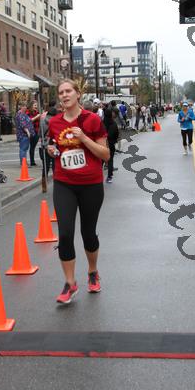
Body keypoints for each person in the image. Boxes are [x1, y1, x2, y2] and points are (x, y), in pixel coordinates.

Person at [47, 79, 109, 305]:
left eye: (68, 91)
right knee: (64, 234)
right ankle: (70, 282)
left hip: (91, 184)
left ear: (78, 94)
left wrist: (83, 138)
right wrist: (52, 149)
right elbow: (55, 145)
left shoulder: (92, 120)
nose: (64, 95)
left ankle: (92, 271)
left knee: (88, 233)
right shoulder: (54, 122)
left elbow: (105, 154)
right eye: (61, 92)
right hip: (64, 183)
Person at [39, 101, 57, 192]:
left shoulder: (42, 121)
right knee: (55, 166)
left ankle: (44, 186)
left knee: (45, 166)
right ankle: (56, 185)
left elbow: (40, 133)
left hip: (44, 145)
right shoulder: (56, 121)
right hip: (54, 145)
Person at [103, 107, 118, 184]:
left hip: (102, 144)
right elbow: (116, 134)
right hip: (111, 144)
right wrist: (114, 141)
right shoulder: (114, 123)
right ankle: (109, 177)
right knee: (110, 160)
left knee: (100, 161)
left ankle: (98, 176)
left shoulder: (101, 123)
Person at [27, 100, 41, 166]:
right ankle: (32, 161)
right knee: (32, 146)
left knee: (33, 146)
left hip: (37, 131)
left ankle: (32, 161)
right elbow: (29, 120)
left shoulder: (37, 112)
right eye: (35, 105)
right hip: (31, 131)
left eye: (36, 105)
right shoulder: (28, 112)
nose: (36, 106)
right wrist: (37, 117)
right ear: (31, 106)